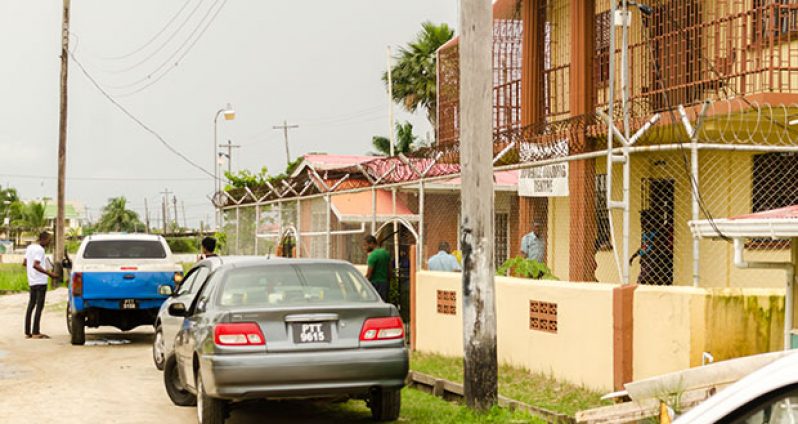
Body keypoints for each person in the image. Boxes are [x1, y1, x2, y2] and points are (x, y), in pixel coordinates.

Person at [22, 232, 60, 339]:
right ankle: (36, 332)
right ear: (44, 239)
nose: (49, 243)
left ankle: (28, 332)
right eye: (49, 240)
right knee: (39, 306)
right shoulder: (40, 250)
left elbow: (25, 263)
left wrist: (33, 271)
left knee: (31, 305)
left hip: (32, 281)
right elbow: (36, 265)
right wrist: (50, 274)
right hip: (41, 282)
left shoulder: (30, 247)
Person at [363, 235, 391, 302]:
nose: (364, 248)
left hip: (375, 284)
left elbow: (369, 274)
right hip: (385, 283)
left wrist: (363, 283)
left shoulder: (372, 256)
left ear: (372, 243)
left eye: (365, 245)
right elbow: (390, 271)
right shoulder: (386, 253)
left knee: (374, 303)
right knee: (383, 302)